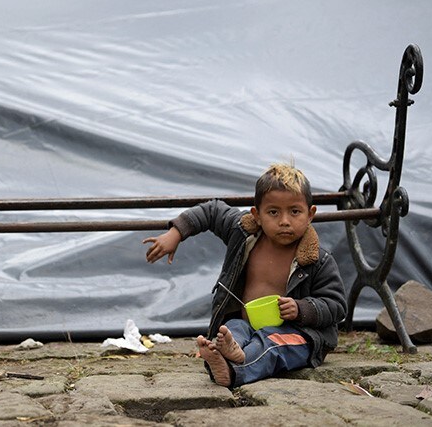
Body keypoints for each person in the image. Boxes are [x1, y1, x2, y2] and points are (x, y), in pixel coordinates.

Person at [143, 163, 346, 387]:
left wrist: (302, 309)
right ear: (256, 215)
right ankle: (225, 354)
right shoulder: (243, 234)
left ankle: (235, 369)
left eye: (295, 211)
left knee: (271, 346)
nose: (284, 221)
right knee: (230, 332)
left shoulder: (318, 260)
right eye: (273, 212)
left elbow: (336, 305)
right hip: (247, 324)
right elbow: (212, 210)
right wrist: (176, 233)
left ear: (310, 214)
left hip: (300, 335)